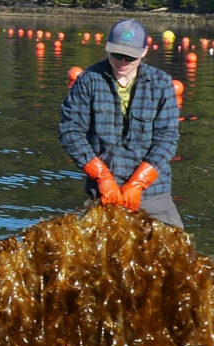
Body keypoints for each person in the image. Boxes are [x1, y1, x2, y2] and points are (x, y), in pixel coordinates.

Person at [57, 17, 183, 228]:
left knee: (181, 256)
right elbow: (70, 132)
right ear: (107, 48)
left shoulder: (162, 83)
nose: (122, 62)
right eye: (117, 54)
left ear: (144, 51)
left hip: (154, 193)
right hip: (103, 193)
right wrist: (103, 177)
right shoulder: (88, 80)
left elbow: (167, 139)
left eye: (130, 57)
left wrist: (138, 183)